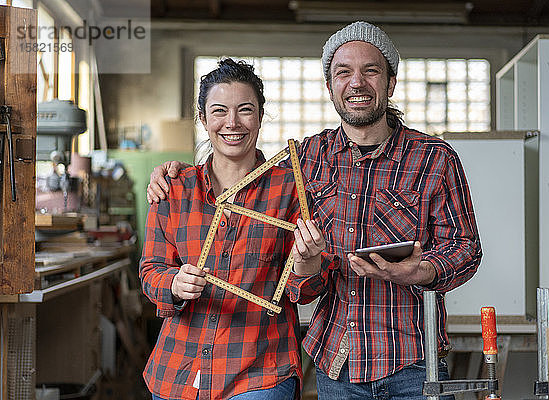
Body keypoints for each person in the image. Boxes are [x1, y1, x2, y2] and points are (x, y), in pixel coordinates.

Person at [147, 21, 482, 400]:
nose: (356, 83)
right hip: (336, 362)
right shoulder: (307, 157)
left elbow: (466, 249)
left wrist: (419, 271)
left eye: (370, 70)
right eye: (343, 72)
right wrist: (171, 172)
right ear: (330, 87)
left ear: (390, 83)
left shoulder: (435, 159)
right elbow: (241, 171)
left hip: (413, 362)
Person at [139, 58, 334, 400]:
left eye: (245, 110)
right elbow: (151, 270)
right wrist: (174, 283)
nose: (232, 123)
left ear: (260, 116)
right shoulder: (174, 187)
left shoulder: (291, 188)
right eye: (219, 111)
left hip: (260, 368)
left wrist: (307, 264)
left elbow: (304, 289)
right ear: (203, 119)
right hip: (179, 368)